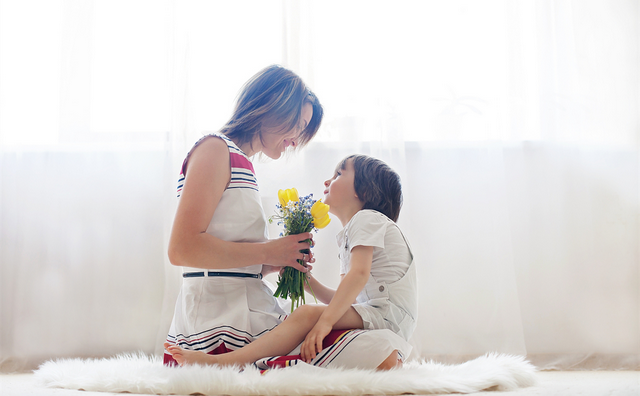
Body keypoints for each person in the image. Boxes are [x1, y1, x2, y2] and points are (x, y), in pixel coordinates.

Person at [163, 66, 409, 370]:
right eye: (299, 125)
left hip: (244, 305)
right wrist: (269, 251)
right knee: (368, 349)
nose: (297, 139)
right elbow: (182, 250)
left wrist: (276, 262)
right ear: (272, 106)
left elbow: (224, 255)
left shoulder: (241, 163)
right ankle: (226, 362)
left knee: (350, 339)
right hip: (220, 315)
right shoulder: (215, 149)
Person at [165, 154, 418, 369]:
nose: (328, 180)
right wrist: (306, 279)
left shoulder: (367, 219)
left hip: (388, 316)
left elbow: (358, 276)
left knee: (307, 315)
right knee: (309, 324)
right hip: (382, 317)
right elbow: (344, 297)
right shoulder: (352, 233)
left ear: (361, 191)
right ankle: (380, 357)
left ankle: (227, 362)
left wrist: (324, 323)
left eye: (339, 174)